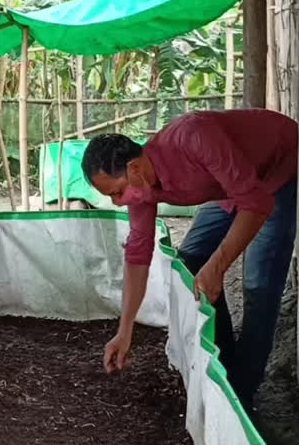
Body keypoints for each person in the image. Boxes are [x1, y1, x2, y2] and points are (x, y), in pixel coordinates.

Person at [81, 109, 297, 412]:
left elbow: (256, 202)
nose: (118, 202)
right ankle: (224, 364)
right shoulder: (143, 188)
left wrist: (219, 265)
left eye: (117, 193)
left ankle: (241, 398)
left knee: (259, 285)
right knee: (192, 261)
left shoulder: (194, 136)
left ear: (134, 169)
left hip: (278, 166)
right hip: (231, 182)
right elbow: (138, 254)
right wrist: (124, 330)